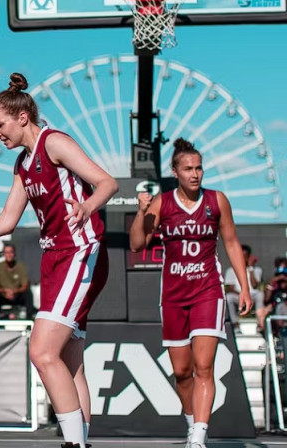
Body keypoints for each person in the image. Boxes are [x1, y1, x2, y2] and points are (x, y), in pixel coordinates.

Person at [0, 73, 118, 448]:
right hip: (55, 259)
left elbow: (107, 183)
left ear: (22, 117)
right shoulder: (23, 164)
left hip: (79, 253)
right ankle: (80, 439)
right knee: (70, 364)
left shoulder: (55, 143)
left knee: (41, 351)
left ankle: (75, 443)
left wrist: (87, 206)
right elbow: (6, 221)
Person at [130, 138, 252, 448]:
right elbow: (136, 244)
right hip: (173, 296)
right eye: (188, 169)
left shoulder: (216, 201)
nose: (195, 174)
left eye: (199, 168)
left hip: (207, 292)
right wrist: (140, 212)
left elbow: (232, 243)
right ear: (175, 172)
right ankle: (191, 423)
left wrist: (244, 285)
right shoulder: (162, 203)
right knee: (182, 373)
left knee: (203, 367)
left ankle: (198, 436)